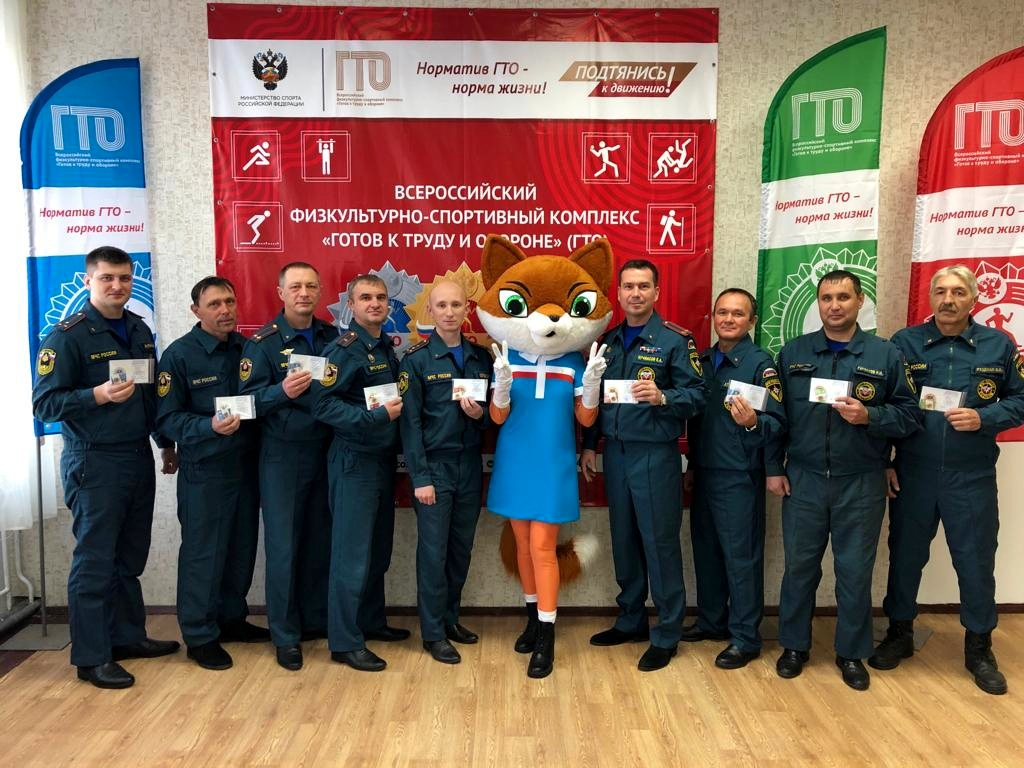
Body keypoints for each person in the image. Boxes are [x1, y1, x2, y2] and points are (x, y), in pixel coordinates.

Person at [870, 265, 1024, 695]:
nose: (948, 300)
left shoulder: (999, 345)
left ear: (974, 298)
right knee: (905, 557)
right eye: (940, 291)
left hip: (970, 476)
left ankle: (979, 647)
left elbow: (1021, 399)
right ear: (931, 298)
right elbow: (887, 404)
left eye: (958, 292)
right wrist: (885, 460)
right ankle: (899, 632)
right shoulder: (905, 343)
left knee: (975, 562)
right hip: (913, 473)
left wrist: (984, 417)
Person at [32, 245, 179, 690]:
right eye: (107, 278)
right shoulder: (67, 337)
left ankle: (127, 637)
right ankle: (92, 657)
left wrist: (164, 443)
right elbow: (44, 404)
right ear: (88, 281)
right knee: (95, 561)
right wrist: (95, 395)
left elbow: (150, 396)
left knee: (129, 557)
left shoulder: (139, 329)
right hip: (94, 461)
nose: (117, 286)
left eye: (124, 278)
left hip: (136, 456)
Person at [772, 270, 919, 691]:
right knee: (799, 569)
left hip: (861, 481)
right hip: (804, 478)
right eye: (826, 298)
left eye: (843, 297)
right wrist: (774, 467)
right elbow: (777, 417)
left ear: (860, 301)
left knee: (854, 572)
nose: (834, 305)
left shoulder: (885, 354)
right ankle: (794, 646)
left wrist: (870, 415)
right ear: (818, 303)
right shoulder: (794, 352)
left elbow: (910, 415)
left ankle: (851, 652)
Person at [581, 259, 707, 672]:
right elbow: (593, 397)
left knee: (659, 542)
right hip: (615, 453)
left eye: (643, 286)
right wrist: (589, 445)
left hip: (654, 454)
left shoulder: (674, 340)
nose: (635, 293)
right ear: (618, 293)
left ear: (656, 293)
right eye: (629, 287)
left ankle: (667, 632)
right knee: (624, 540)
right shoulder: (608, 341)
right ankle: (631, 619)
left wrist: (664, 396)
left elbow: (698, 394)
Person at [156, 276, 268, 671]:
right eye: (215, 304)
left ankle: (231, 620)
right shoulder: (179, 356)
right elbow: (166, 418)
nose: (225, 311)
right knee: (204, 554)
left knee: (240, 549)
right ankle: (200, 635)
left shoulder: (248, 348)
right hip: (205, 471)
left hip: (246, 467)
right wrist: (208, 427)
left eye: (230, 302)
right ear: (196, 310)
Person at [238, 262, 337, 671]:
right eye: (295, 287)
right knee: (283, 548)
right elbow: (244, 404)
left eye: (311, 286)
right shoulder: (262, 344)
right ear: (280, 292)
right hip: (283, 456)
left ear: (320, 291)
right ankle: (284, 634)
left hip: (327, 451)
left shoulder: (333, 337)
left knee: (319, 542)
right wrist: (280, 391)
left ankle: (313, 621)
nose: (303, 293)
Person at [683, 288, 786, 669]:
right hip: (705, 472)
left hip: (739, 476)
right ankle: (712, 622)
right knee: (707, 551)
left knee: (741, 558)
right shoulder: (702, 362)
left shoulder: (760, 364)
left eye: (738, 314)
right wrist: (692, 466)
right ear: (713, 317)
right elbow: (698, 422)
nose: (728, 319)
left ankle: (745, 637)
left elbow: (778, 423)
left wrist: (754, 421)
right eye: (722, 312)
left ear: (752, 321)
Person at [313, 274, 406, 672]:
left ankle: (370, 621)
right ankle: (345, 641)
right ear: (351, 304)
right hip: (354, 460)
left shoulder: (384, 347)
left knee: (377, 552)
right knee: (350, 556)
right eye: (365, 297)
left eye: (381, 297)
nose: (375, 303)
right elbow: (322, 404)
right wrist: (373, 417)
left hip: (382, 461)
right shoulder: (343, 350)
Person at [398, 280, 492, 665]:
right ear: (430, 311)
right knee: (433, 553)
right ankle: (433, 632)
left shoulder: (481, 358)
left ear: (467, 309)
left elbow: (493, 415)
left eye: (456, 305)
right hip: (433, 468)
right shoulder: (416, 360)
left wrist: (479, 415)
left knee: (460, 549)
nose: (449, 312)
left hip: (469, 464)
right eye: (442, 306)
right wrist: (420, 478)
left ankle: (451, 618)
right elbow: (410, 425)